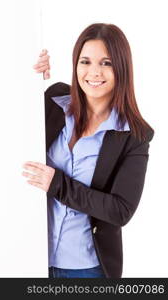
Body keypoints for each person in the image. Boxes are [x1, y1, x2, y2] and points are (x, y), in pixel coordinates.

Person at [22, 23, 154, 278]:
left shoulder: (134, 135)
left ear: (122, 68)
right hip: (30, 256)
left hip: (85, 269)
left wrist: (57, 184)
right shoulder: (54, 101)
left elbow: (120, 210)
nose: (94, 72)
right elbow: (6, 126)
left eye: (106, 63)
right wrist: (28, 76)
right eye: (85, 61)